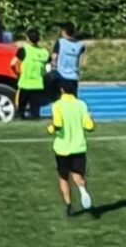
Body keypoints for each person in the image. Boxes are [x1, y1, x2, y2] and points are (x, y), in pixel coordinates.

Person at [48, 79, 95, 216]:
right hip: (78, 147)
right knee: (77, 173)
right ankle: (82, 189)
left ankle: (69, 205)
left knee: (63, 176)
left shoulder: (57, 105)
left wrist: (51, 128)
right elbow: (89, 127)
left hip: (62, 147)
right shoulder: (81, 105)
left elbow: (58, 124)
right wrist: (91, 120)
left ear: (61, 89)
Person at [12, 28, 50, 120]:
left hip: (25, 83)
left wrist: (17, 73)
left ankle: (21, 119)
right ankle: (35, 119)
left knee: (21, 107)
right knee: (35, 109)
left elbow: (12, 63)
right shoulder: (44, 52)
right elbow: (48, 67)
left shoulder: (23, 50)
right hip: (38, 84)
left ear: (27, 39)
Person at [50, 22, 86, 100]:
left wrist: (52, 68)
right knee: (73, 99)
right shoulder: (80, 45)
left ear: (64, 32)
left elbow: (54, 57)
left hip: (61, 76)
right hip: (73, 76)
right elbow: (82, 60)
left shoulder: (60, 42)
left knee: (60, 99)